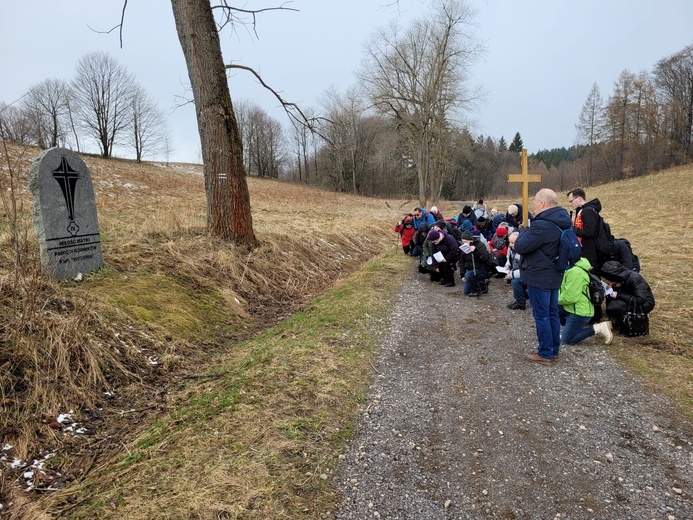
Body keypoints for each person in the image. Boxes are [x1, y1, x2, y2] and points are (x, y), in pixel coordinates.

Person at [514, 188, 573, 365]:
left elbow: (521, 246)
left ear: (542, 204)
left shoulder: (541, 225)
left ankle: (545, 353)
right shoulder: (564, 221)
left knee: (542, 315)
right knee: (552, 313)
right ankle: (553, 350)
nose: (535, 208)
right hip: (555, 273)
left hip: (539, 275)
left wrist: (523, 231)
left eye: (535, 204)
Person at [558, 257, 613, 345]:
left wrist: (553, 299)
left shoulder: (575, 272)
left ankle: (599, 328)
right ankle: (570, 329)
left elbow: (570, 297)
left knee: (567, 340)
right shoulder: (575, 268)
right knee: (553, 308)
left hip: (580, 312)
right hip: (576, 308)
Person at [600, 260, 655, 330]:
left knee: (615, 305)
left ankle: (622, 323)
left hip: (645, 303)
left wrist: (618, 295)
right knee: (611, 300)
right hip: (631, 298)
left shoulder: (635, 278)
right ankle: (616, 321)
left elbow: (640, 299)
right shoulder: (621, 278)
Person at [566, 188, 606, 272]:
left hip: (591, 252)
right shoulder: (581, 211)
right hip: (584, 250)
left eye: (571, 201)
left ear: (579, 199)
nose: (570, 204)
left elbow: (589, 232)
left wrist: (572, 229)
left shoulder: (588, 211)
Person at [459, 230, 495, 296]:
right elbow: (461, 262)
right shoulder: (463, 248)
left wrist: (475, 251)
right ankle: (482, 284)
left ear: (471, 240)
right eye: (463, 242)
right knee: (466, 291)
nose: (464, 244)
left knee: (469, 275)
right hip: (470, 270)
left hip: (481, 269)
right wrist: (462, 275)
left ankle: (476, 291)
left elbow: (485, 259)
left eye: (466, 242)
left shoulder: (480, 245)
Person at [505, 231, 528, 310]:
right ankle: (524, 296)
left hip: (526, 274)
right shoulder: (511, 248)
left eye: (512, 242)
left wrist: (511, 275)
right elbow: (509, 258)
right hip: (516, 271)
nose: (510, 244)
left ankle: (520, 302)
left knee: (515, 282)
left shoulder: (524, 252)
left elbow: (524, 269)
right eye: (510, 242)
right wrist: (507, 265)